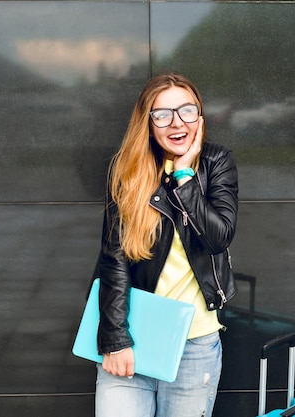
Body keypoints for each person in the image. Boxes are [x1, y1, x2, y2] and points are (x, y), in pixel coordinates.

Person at [94, 73, 239, 417]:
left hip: (195, 344)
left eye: (187, 111)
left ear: (200, 119)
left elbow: (219, 237)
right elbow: (113, 259)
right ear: (147, 123)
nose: (177, 123)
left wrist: (185, 176)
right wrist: (116, 339)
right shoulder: (127, 171)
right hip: (133, 336)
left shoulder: (216, 163)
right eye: (163, 114)